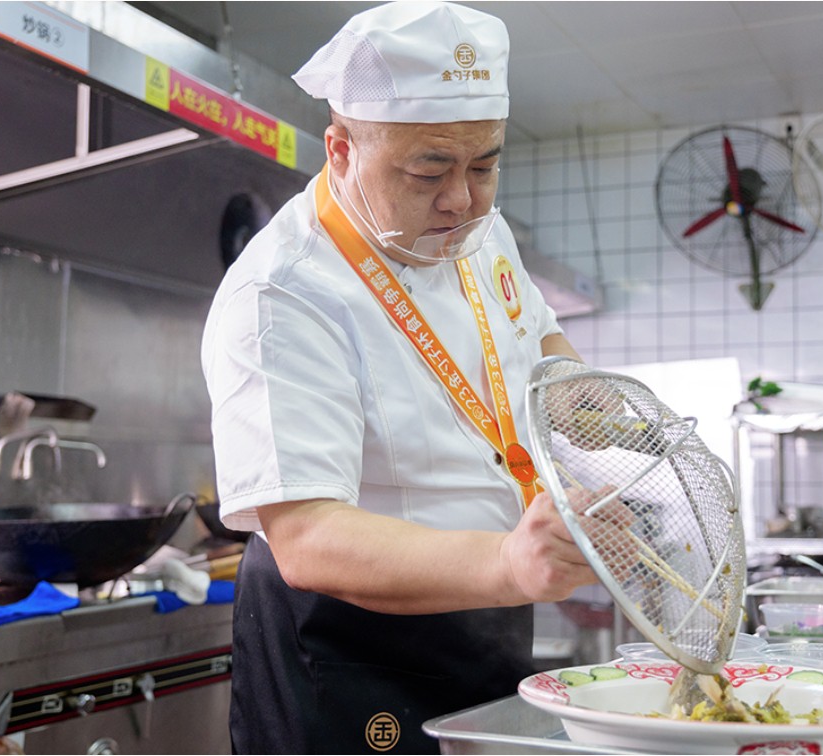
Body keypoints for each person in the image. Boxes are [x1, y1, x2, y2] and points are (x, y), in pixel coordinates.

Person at [200, 3, 610, 753]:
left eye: (484, 166)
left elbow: (539, 338)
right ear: (341, 150)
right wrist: (509, 562)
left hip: (490, 618)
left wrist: (592, 413)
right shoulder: (282, 291)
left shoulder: (480, 230)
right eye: (428, 170)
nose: (462, 199)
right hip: (348, 648)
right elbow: (309, 536)